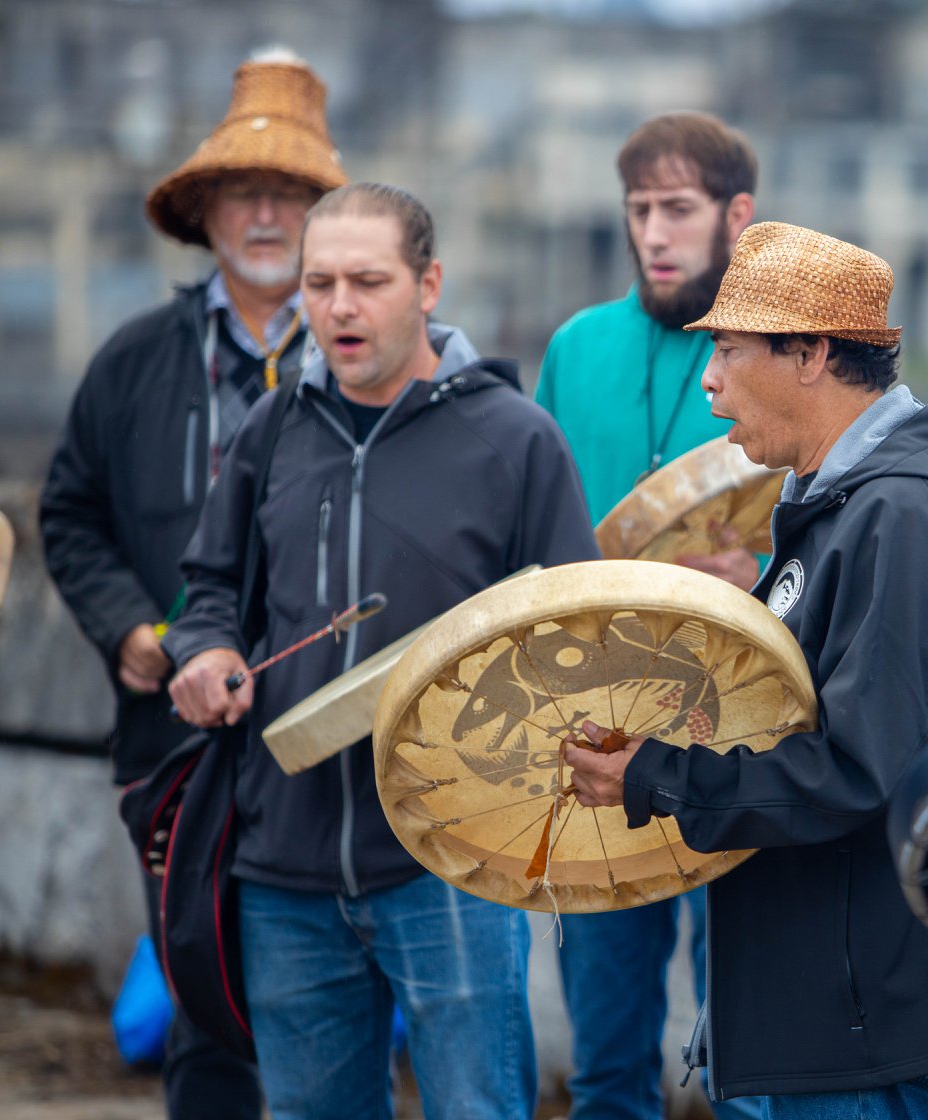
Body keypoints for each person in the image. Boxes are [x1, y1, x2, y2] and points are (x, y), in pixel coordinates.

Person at [566, 221, 928, 1118]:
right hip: (834, 1002)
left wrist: (652, 775)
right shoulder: (849, 508)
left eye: (725, 349)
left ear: (812, 355)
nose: (707, 379)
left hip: (863, 1013)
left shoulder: (901, 517)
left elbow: (857, 770)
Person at [165, 182, 599, 1119]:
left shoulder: (517, 439)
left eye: (368, 281)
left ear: (428, 284)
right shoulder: (270, 428)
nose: (340, 307)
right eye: (319, 284)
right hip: (283, 863)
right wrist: (201, 656)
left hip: (454, 862)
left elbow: (577, 641)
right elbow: (207, 595)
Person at [38, 47, 347, 1120]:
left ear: (322, 212)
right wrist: (124, 624)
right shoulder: (132, 362)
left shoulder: (367, 358)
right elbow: (69, 512)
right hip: (173, 738)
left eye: (291, 195)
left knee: (331, 1013)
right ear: (208, 211)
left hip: (331, 731)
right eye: (245, 194)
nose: (267, 215)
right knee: (204, 1001)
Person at [532, 111, 761, 1120]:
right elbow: (528, 530)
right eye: (640, 212)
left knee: (749, 1056)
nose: (656, 233)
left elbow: (845, 535)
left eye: (679, 209)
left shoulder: (780, 352)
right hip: (597, 732)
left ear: (736, 216)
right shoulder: (576, 347)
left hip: (739, 736)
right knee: (607, 1063)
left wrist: (758, 570)